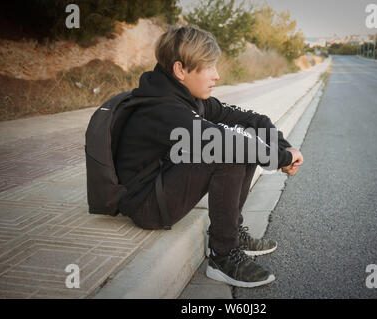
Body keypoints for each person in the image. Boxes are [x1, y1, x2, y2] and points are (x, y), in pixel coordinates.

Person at [115, 25, 304, 288]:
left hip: (164, 182)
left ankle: (232, 232)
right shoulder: (163, 108)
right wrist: (282, 159)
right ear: (180, 70)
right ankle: (222, 255)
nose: (217, 75)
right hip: (147, 205)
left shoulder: (186, 97)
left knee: (241, 138)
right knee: (228, 149)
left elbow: (254, 119)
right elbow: (228, 144)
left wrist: (285, 148)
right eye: (209, 67)